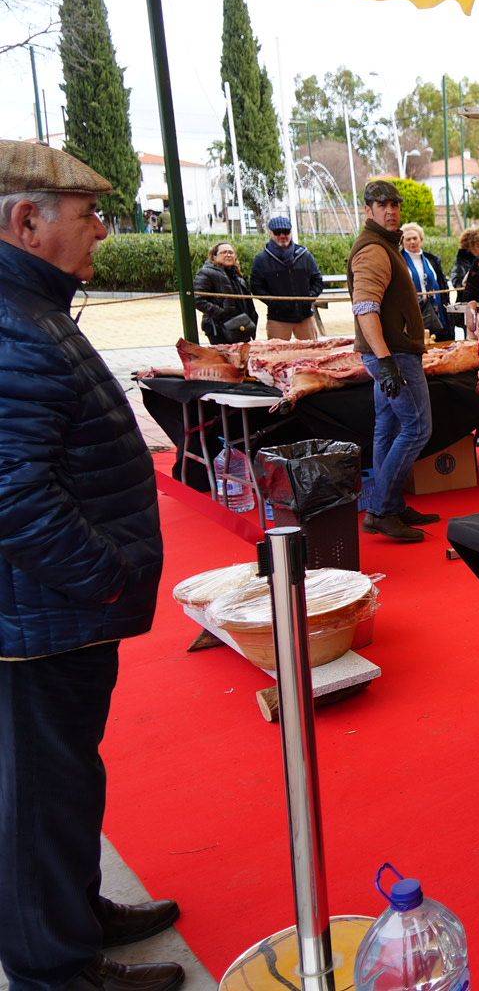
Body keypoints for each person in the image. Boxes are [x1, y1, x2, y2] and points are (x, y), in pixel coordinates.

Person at [0, 141, 183, 991]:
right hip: (37, 620)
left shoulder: (29, 308)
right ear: (25, 222)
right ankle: (56, 967)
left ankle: (74, 910)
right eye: (87, 217)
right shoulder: (12, 323)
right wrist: (107, 573)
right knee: (38, 796)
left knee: (64, 779)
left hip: (50, 615)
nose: (102, 232)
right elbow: (13, 498)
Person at [347, 180, 439, 543]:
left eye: (395, 205)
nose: (390, 210)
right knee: (417, 429)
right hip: (393, 355)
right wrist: (385, 362)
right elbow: (365, 307)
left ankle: (391, 504)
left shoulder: (384, 244)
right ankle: (382, 510)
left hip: (388, 352)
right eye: (381, 205)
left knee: (387, 428)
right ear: (367, 209)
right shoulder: (373, 249)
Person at [250, 214, 323, 339]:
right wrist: (275, 303)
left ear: (291, 232)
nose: (282, 236)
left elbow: (317, 280)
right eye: (278, 232)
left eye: (286, 231)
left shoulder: (305, 255)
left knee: (313, 352)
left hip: (305, 317)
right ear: (271, 233)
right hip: (278, 319)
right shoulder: (261, 259)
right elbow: (256, 287)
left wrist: (309, 298)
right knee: (277, 355)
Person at [192, 240, 257, 345]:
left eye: (231, 252)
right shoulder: (206, 273)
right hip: (218, 328)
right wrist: (222, 313)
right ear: (214, 257)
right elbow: (197, 299)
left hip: (241, 325)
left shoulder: (237, 275)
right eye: (223, 252)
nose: (228, 255)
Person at [399, 222, 452, 342]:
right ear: (402, 242)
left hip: (435, 310)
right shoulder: (399, 260)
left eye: (415, 238)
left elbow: (441, 283)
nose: (412, 242)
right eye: (408, 239)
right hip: (412, 312)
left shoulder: (431, 260)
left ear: (421, 240)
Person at [450, 225, 479, 338]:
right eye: (478, 245)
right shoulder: (463, 258)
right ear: (470, 245)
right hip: (471, 304)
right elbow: (457, 279)